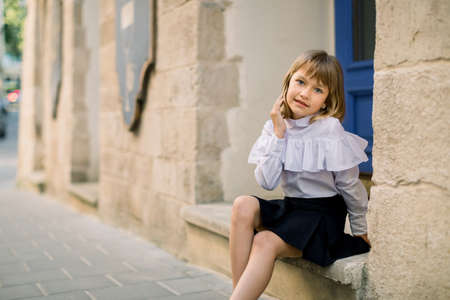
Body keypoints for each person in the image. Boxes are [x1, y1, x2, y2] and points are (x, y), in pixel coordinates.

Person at [229, 50, 371, 300]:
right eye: (301, 82)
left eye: (318, 90)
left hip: (322, 217)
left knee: (264, 241)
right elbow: (266, 182)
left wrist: (360, 228)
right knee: (243, 205)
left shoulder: (329, 129)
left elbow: (349, 184)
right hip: (292, 209)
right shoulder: (275, 125)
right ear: (288, 82)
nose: (305, 93)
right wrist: (279, 134)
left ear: (327, 101)